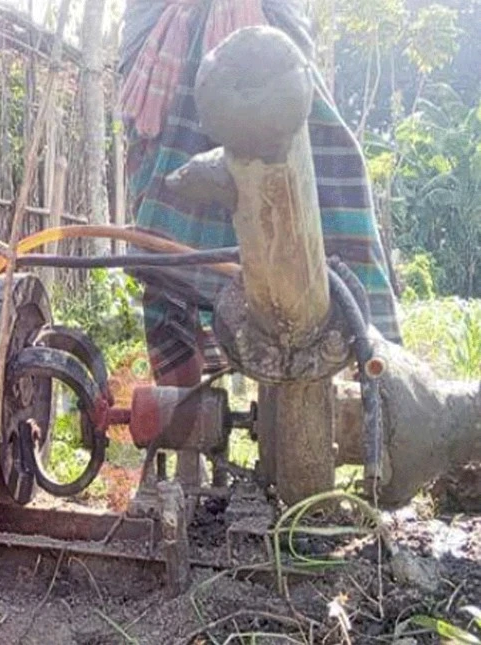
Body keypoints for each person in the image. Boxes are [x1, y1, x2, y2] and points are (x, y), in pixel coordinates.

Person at [117, 0, 402, 387]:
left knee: (333, 170)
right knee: (164, 254)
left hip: (267, 48)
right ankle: (179, 405)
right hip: (169, 36)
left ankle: (379, 372)